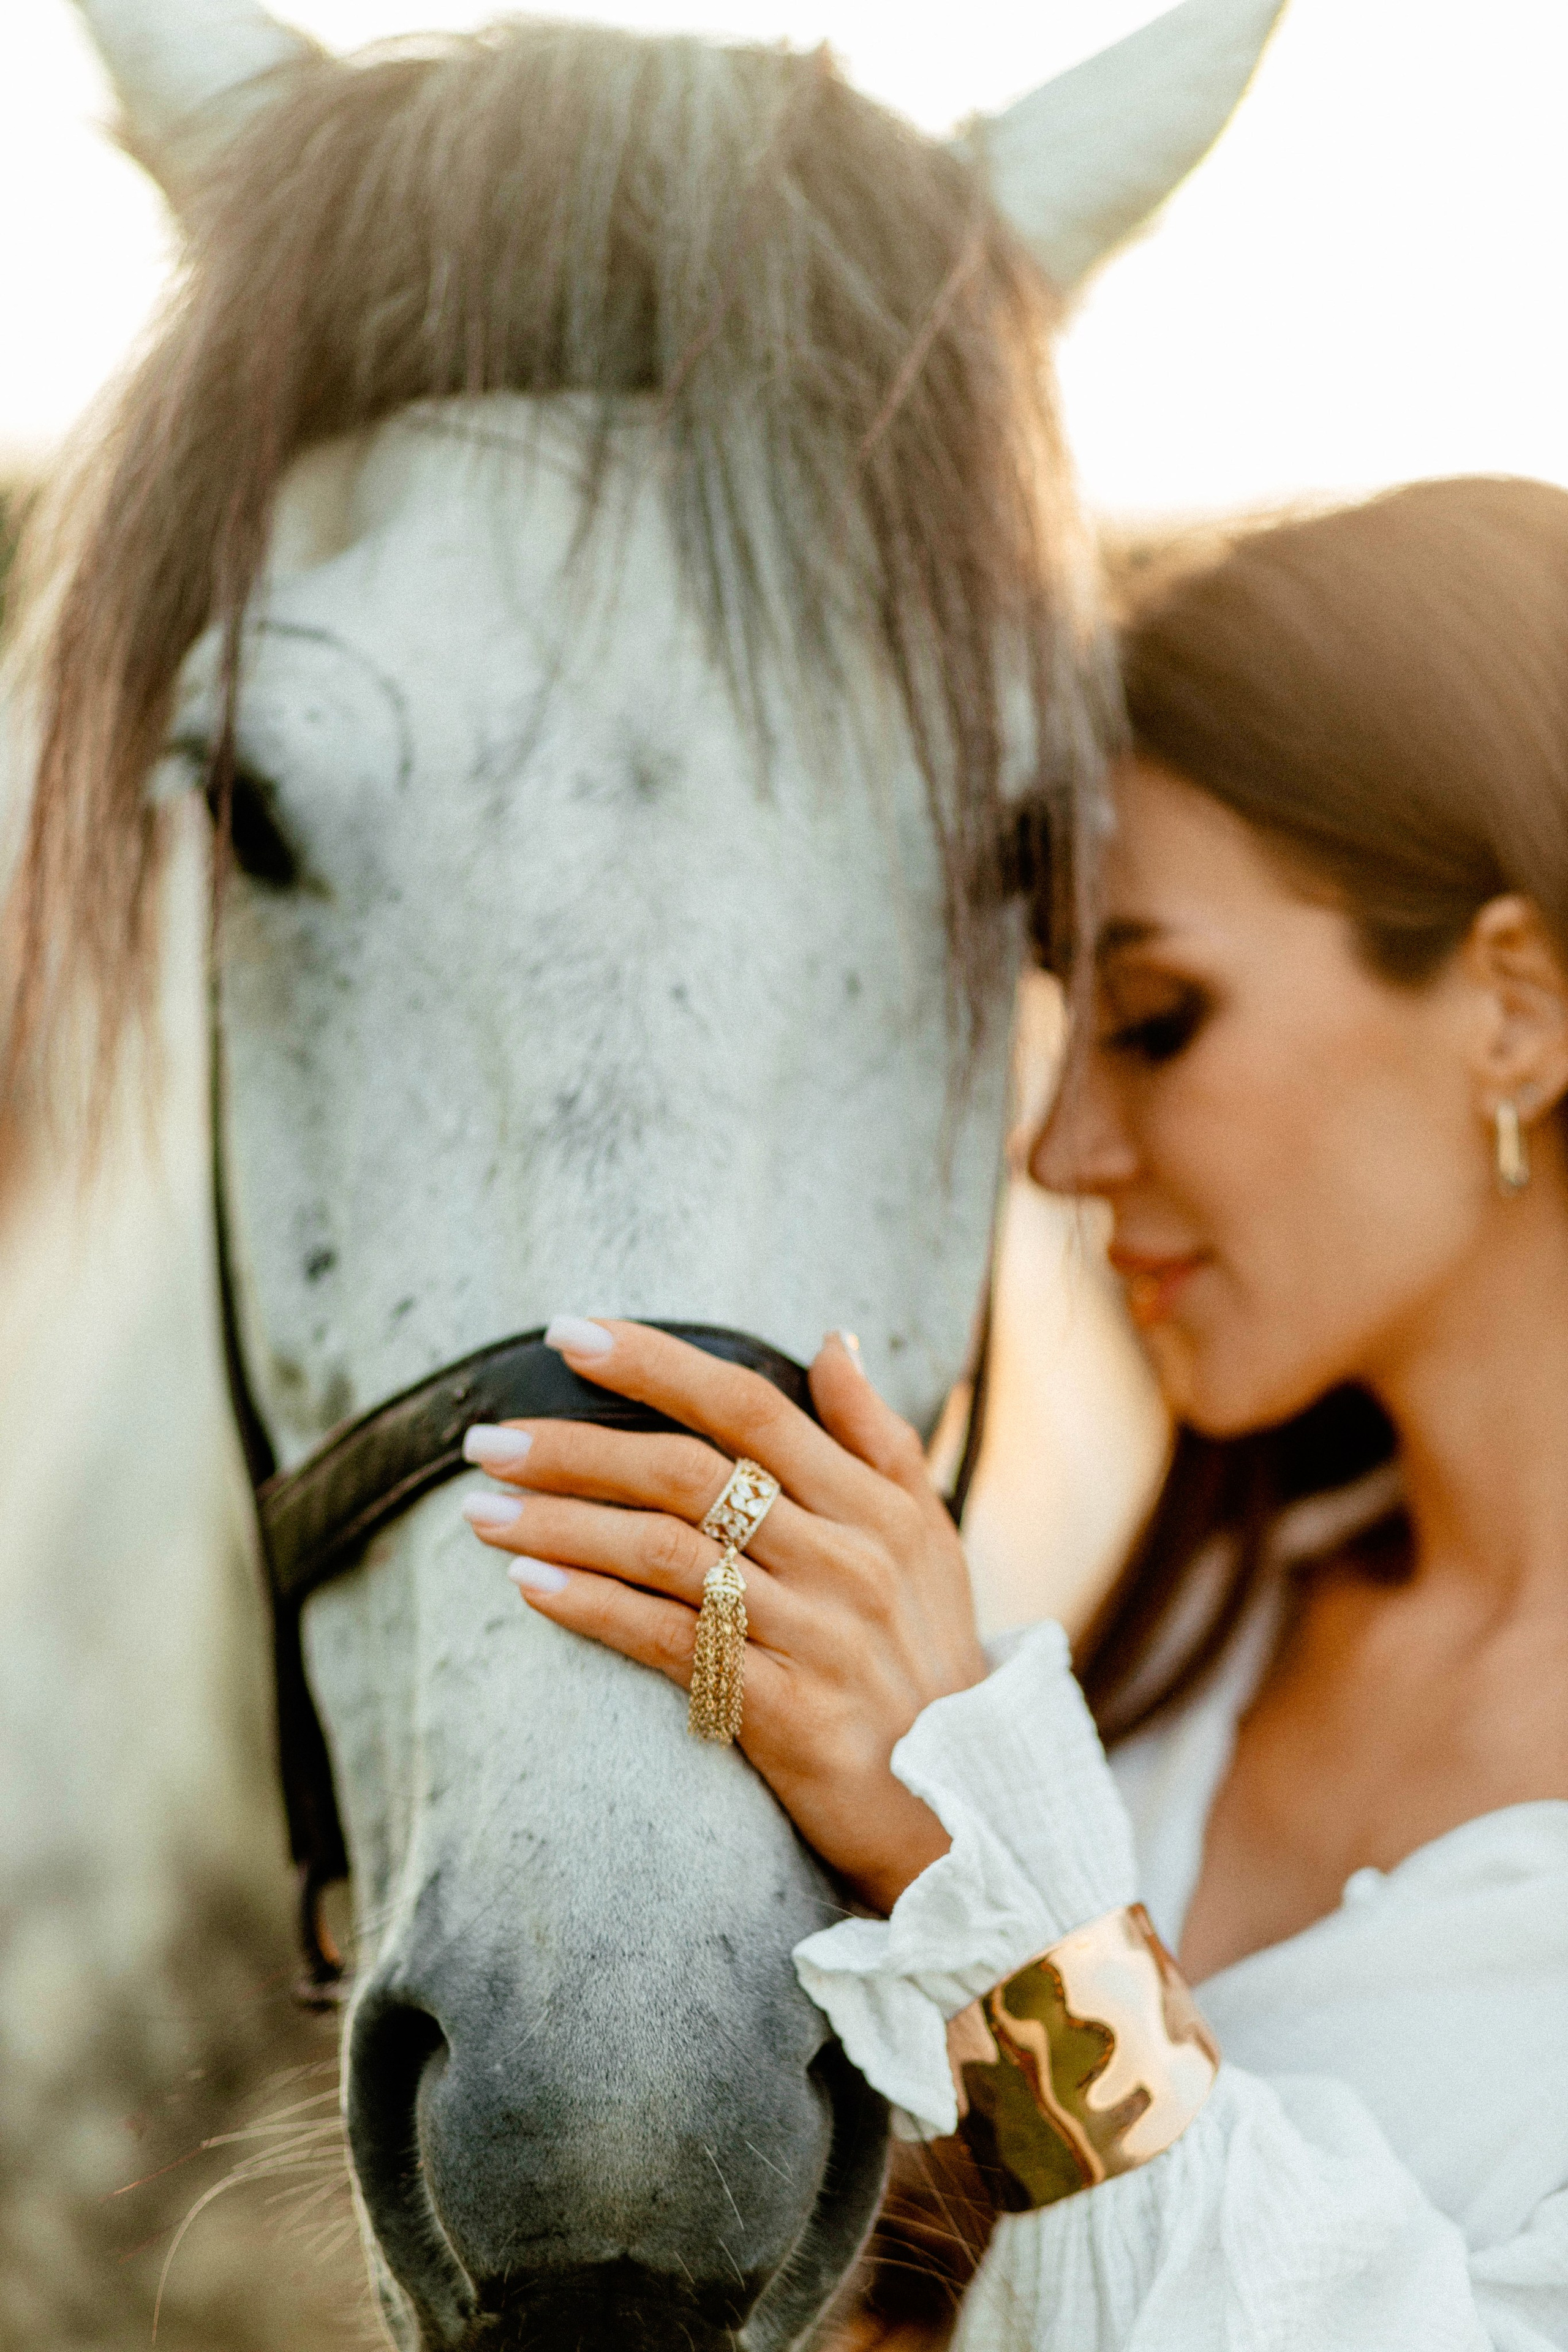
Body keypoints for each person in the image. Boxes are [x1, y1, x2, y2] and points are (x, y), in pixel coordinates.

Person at [459, 476, 1568, 2345]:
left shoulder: (1018, 1761)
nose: (1057, 1152)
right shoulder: (1169, 1644)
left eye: (1152, 1021)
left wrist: (994, 1859)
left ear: (1514, 1006)